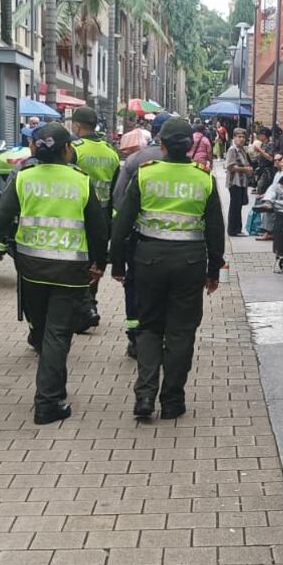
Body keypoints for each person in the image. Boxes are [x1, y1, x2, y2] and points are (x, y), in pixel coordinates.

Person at [0, 122, 110, 425]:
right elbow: (98, 228)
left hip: (31, 269)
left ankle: (52, 389)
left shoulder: (24, 178)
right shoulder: (81, 181)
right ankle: (48, 401)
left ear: (35, 149)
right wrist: (100, 263)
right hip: (70, 270)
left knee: (42, 328)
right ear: (67, 150)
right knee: (58, 334)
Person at [110, 117, 226, 420]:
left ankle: (145, 396)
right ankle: (173, 400)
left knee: (149, 326)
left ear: (160, 144)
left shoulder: (145, 174)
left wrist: (117, 263)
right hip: (190, 263)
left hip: (148, 260)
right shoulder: (204, 178)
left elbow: (122, 223)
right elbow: (216, 230)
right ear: (190, 146)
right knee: (181, 331)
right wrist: (214, 270)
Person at [115, 113, 174, 358]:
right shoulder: (186, 164)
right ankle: (162, 335)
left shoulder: (135, 160)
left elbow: (119, 200)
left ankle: (135, 337)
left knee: (135, 285)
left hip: (139, 239)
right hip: (176, 243)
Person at [71, 107, 122, 330]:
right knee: (95, 261)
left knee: (77, 262)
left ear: (77, 125)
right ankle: (91, 302)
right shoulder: (111, 152)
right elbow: (115, 190)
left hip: (78, 213)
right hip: (102, 215)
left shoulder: (74, 149)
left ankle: (82, 308)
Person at [224, 128, 253, 236]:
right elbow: (230, 166)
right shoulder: (232, 150)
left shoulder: (242, 150)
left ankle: (237, 229)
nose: (241, 139)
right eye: (239, 137)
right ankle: (233, 230)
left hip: (242, 181)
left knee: (239, 205)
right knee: (235, 206)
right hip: (234, 182)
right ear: (234, 138)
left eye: (243, 137)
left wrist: (248, 169)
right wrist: (245, 169)